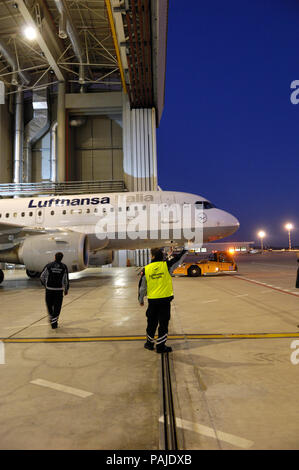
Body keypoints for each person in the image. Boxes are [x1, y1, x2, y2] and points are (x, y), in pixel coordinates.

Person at [138, 247, 187, 353]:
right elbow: (179, 259)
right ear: (162, 256)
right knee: (163, 324)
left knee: (151, 323)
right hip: (165, 301)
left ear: (152, 256)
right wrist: (186, 249)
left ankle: (149, 344)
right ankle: (160, 346)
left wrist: (141, 299)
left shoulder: (146, 269)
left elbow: (142, 287)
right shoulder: (167, 266)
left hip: (152, 301)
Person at [40, 252, 69, 329]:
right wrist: (66, 289)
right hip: (59, 290)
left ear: (54, 257)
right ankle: (54, 323)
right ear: (62, 258)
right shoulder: (64, 267)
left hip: (49, 289)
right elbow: (65, 279)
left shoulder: (49, 266)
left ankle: (51, 317)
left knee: (49, 305)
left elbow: (42, 276)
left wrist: (45, 285)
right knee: (57, 307)